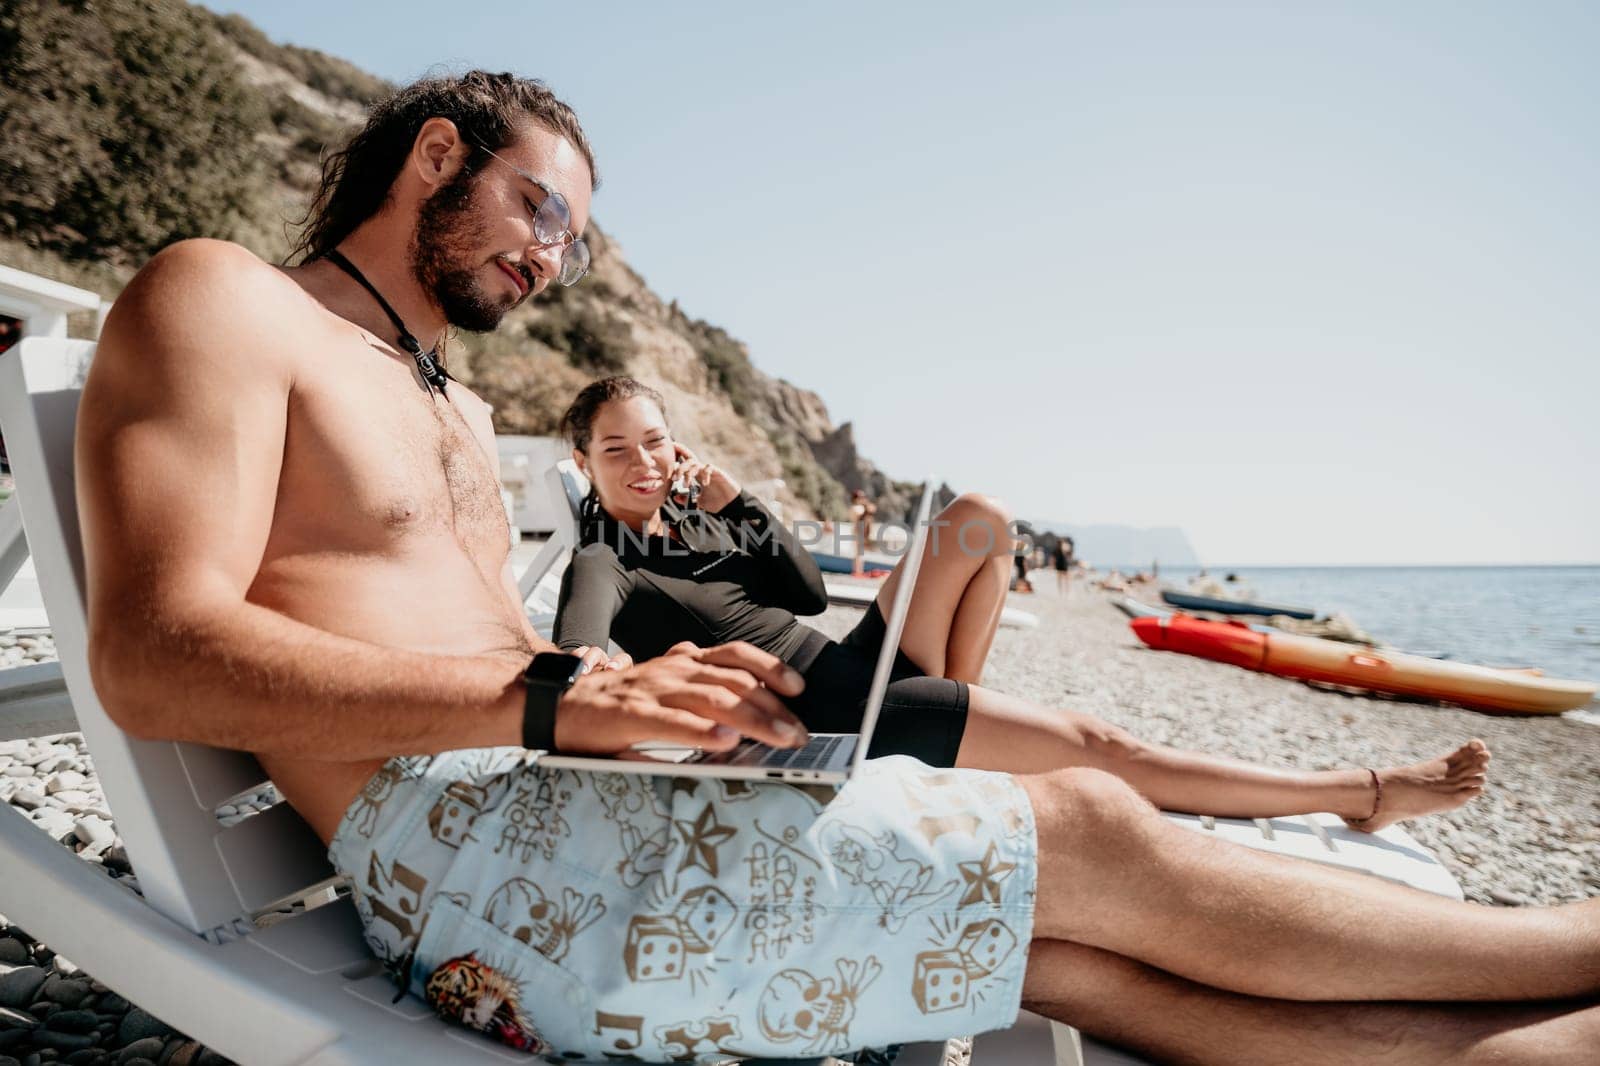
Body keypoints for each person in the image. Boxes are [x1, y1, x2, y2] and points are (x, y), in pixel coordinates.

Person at [74, 71, 1599, 1064]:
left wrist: (637, 703)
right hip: (487, 889)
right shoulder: (225, 302)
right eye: (541, 207)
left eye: (576, 244)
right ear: (434, 156)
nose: (549, 261)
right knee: (1086, 824)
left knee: (1071, 950)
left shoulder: (452, 402)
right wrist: (555, 694)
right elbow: (152, 654)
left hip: (565, 818)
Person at [553, 377, 1490, 830]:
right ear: (587, 467)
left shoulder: (709, 527)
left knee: (980, 521)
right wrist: (593, 666)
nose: (645, 465)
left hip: (851, 660)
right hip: (837, 714)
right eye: (617, 451)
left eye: (658, 443)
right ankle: (1361, 794)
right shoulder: (609, 557)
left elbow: (802, 591)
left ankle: (961, 730)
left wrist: (739, 502)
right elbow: (580, 651)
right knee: (1101, 747)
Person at [848, 487, 876, 576]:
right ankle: (857, 572)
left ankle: (858, 571)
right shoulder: (856, 508)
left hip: (861, 532)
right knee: (859, 553)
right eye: (861, 497)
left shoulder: (859, 507)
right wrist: (867, 507)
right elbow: (862, 517)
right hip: (858, 532)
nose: (863, 499)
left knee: (860, 553)